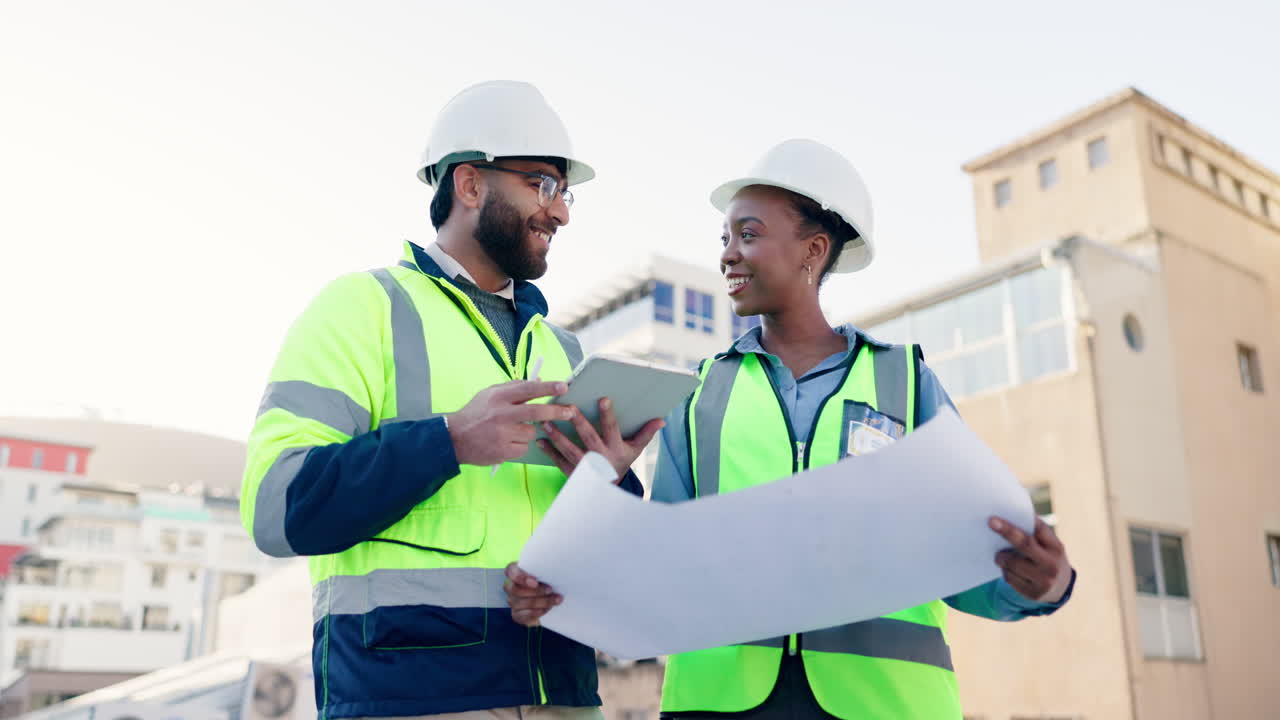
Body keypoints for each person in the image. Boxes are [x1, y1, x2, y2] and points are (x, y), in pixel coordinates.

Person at [507, 139, 1076, 719]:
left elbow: (963, 555)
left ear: (814, 249)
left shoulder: (905, 383)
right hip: (720, 704)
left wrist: (1040, 587)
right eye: (724, 239)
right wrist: (571, 584)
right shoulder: (701, 393)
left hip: (887, 705)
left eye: (748, 235)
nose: (728, 255)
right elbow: (663, 566)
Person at [240, 80, 662, 720]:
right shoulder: (363, 309)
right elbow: (277, 508)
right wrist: (450, 441)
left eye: (563, 192)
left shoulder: (568, 353)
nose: (562, 212)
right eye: (542, 185)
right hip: (414, 697)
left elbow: (614, 562)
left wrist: (610, 489)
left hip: (565, 694)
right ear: (470, 184)